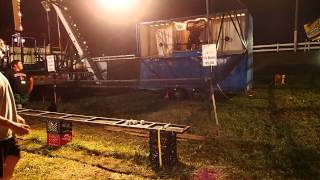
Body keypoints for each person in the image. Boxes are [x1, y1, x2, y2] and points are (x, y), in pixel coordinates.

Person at [0, 72, 30, 179]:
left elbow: (3, 101)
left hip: (7, 135)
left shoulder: (1, 76)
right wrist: (13, 125)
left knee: (14, 156)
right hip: (2, 136)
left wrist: (14, 115)